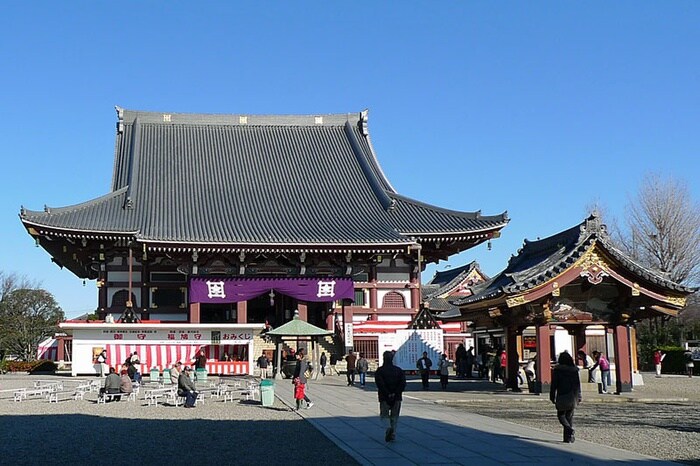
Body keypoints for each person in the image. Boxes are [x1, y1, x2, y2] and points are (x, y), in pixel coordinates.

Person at [550, 352, 582, 443]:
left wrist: (552, 396)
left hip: (562, 394)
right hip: (573, 395)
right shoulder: (574, 371)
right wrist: (579, 395)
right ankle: (568, 438)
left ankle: (568, 429)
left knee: (561, 415)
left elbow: (554, 385)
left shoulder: (558, 371)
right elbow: (578, 384)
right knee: (569, 416)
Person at [375, 350, 407, 442]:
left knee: (384, 415)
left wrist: (388, 393)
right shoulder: (399, 370)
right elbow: (402, 384)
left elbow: (380, 384)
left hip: (384, 396)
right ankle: (392, 432)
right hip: (397, 397)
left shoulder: (380, 371)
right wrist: (395, 393)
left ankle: (388, 428)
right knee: (394, 416)